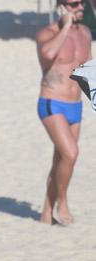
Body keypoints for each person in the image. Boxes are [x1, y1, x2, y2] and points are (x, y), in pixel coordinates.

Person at [37, 0, 92, 225]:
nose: (80, 7)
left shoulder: (86, 32)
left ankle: (46, 214)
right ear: (61, 7)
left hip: (75, 106)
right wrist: (66, 26)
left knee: (61, 160)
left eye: (82, 3)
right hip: (52, 103)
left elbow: (87, 66)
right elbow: (48, 54)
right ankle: (63, 203)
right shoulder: (47, 33)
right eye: (74, 4)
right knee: (71, 153)